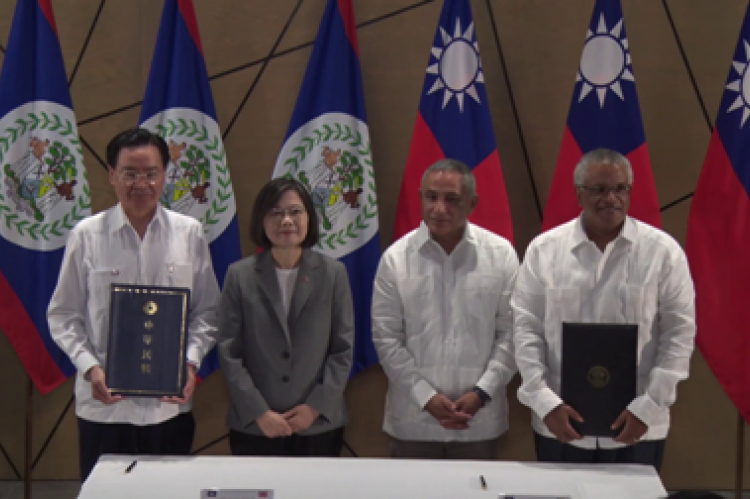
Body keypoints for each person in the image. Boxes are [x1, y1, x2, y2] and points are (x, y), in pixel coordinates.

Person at [47, 128, 219, 481]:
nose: (141, 183)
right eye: (130, 173)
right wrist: (91, 368)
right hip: (105, 409)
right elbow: (63, 315)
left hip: (168, 410)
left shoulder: (190, 233)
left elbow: (208, 312)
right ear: (111, 174)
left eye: (151, 173)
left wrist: (189, 364)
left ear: (165, 175)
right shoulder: (86, 235)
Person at [512, 148, 696, 471]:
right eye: (599, 189)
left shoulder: (663, 253)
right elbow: (526, 330)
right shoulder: (544, 250)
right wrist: (544, 402)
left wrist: (650, 406)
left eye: (620, 189)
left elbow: (679, 335)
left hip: (638, 426)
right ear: (579, 193)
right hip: (560, 424)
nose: (610, 198)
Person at [372, 158, 518, 459]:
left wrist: (481, 394)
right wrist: (426, 397)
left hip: (478, 422)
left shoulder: (501, 255)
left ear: (472, 203)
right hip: (414, 422)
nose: (439, 208)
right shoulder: (395, 260)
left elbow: (513, 334)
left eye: (452, 199)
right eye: (431, 197)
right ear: (420, 198)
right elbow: (387, 340)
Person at [218, 177, 354, 457]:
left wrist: (314, 407)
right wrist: (259, 412)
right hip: (255, 425)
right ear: (262, 220)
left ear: (309, 218)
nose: (286, 220)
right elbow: (229, 351)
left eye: (295, 211)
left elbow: (343, 350)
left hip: (317, 425)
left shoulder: (333, 274)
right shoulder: (239, 275)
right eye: (276, 213)